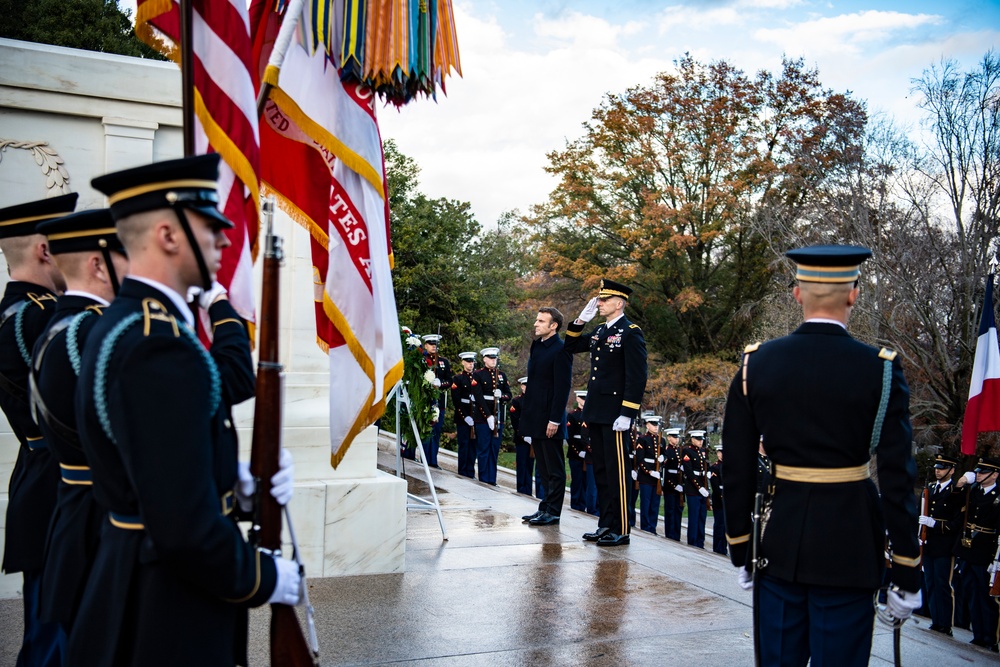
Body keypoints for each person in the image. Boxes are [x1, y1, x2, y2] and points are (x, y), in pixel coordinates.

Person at [66, 154, 301, 666]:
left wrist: (236, 482)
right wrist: (262, 577)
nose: (224, 239)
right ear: (170, 236)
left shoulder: (136, 326)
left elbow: (155, 470)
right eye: (210, 227)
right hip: (164, 607)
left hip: (146, 581)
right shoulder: (158, 344)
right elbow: (183, 529)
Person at [722, 244, 922, 667]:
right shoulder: (881, 368)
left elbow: (737, 468)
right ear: (854, 294)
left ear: (796, 293)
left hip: (777, 541)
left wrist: (740, 546)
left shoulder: (756, 364)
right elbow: (898, 475)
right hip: (849, 546)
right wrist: (906, 569)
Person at [30, 209, 128, 635]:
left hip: (75, 509)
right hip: (101, 521)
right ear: (99, 264)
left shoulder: (57, 325)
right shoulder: (93, 332)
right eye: (127, 254)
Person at [0, 193, 77, 667]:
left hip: (43, 480)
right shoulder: (36, 316)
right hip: (55, 488)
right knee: (52, 641)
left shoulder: (25, 311)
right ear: (46, 251)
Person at [564, 279, 648, 547]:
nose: (598, 304)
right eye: (599, 300)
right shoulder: (601, 330)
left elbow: (637, 377)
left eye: (604, 300)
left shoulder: (630, 332)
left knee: (618, 471)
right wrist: (580, 320)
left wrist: (627, 413)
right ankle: (605, 523)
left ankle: (621, 528)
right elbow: (571, 347)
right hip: (597, 412)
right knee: (600, 470)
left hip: (615, 415)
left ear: (619, 303)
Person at [520, 308, 572, 526]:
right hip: (536, 415)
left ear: (554, 326)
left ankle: (554, 511)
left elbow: (562, 388)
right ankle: (544, 508)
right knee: (542, 467)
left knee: (554, 469)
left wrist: (555, 420)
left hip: (550, 418)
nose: (536, 323)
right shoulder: (538, 346)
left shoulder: (561, 349)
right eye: (536, 319)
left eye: (541, 321)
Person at [953, 457, 1000, 652]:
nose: (979, 474)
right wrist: (960, 484)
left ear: (995, 474)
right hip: (968, 548)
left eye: (983, 472)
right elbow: (954, 506)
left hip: (986, 550)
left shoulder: (998, 496)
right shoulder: (973, 491)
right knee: (971, 591)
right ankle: (978, 634)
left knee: (986, 595)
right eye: (978, 471)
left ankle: (990, 637)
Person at [918, 454, 963, 637]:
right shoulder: (930, 488)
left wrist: (934, 523)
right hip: (928, 544)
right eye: (937, 467)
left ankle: (945, 623)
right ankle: (936, 621)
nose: (938, 470)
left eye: (942, 468)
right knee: (930, 583)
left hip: (944, 546)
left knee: (942, 584)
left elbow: (956, 522)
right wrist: (920, 532)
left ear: (951, 471)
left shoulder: (956, 492)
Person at [471, 346, 511, 485]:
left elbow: (508, 394)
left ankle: (492, 479)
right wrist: (487, 416)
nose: (493, 361)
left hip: (498, 417)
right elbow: (478, 397)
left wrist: (503, 396)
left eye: (495, 358)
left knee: (494, 450)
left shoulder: (501, 375)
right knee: (483, 449)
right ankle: (483, 479)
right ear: (484, 360)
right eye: (490, 358)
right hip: (483, 418)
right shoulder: (478, 374)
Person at [421, 334, 451, 468]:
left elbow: (449, 381)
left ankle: (433, 459)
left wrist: (441, 383)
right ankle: (424, 458)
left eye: (435, 344)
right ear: (425, 345)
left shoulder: (444, 362)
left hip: (439, 402)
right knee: (426, 430)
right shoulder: (422, 359)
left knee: (436, 432)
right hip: (426, 401)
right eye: (431, 344)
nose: (434, 346)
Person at [450, 351, 477, 478]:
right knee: (464, 444)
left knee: (473, 446)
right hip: (463, 417)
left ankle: (470, 471)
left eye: (472, 362)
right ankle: (462, 470)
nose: (470, 364)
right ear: (463, 363)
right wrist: (465, 416)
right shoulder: (458, 378)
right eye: (468, 362)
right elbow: (456, 399)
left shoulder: (477, 378)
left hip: (475, 416)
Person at [634, 415, 663, 535]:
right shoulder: (642, 439)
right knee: (646, 503)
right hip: (646, 476)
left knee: (655, 504)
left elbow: (665, 455)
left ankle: (652, 527)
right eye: (653, 425)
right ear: (647, 425)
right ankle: (645, 527)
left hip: (656, 478)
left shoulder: (662, 440)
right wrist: (650, 471)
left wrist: (664, 458)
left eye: (657, 425)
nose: (656, 427)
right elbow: (640, 459)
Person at [682, 430, 710, 548]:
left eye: (701, 439)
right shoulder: (688, 451)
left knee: (701, 517)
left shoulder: (703, 451)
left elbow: (705, 466)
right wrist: (699, 487)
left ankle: (700, 541)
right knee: (693, 517)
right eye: (698, 439)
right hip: (693, 489)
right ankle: (693, 542)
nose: (700, 441)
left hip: (702, 487)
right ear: (692, 439)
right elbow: (689, 472)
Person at [510, 377, 534, 495]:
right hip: (521, 438)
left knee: (530, 465)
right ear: (522, 387)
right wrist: (524, 435)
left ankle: (528, 490)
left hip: (533, 438)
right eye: (525, 386)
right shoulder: (517, 401)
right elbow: (515, 420)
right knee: (522, 464)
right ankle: (521, 488)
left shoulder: (535, 400)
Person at [566, 391, 590, 512]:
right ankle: (575, 504)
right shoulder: (572, 415)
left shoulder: (590, 415)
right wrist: (578, 451)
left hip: (588, 452)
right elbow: (569, 437)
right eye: (582, 398)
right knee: (577, 480)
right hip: (576, 453)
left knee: (585, 481)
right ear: (577, 399)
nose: (585, 401)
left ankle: (583, 504)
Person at [661, 427, 684, 541]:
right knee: (670, 511)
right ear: (669, 438)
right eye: (674, 437)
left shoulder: (680, 451)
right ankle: (670, 535)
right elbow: (666, 471)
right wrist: (674, 485)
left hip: (679, 484)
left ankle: (677, 535)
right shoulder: (667, 451)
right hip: (670, 486)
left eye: (677, 437)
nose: (677, 439)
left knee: (678, 511)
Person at [709, 443, 727, 556]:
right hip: (719, 499)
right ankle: (718, 548)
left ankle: (723, 548)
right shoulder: (715, 467)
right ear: (718, 454)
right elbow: (715, 486)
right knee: (720, 524)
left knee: (726, 526)